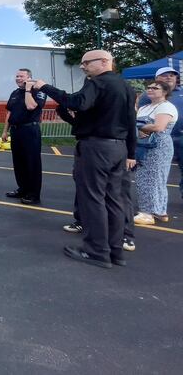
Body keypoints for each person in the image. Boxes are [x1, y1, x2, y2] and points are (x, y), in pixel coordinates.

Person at [32, 50, 136, 269]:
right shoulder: (125, 86)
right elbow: (130, 121)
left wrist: (45, 87)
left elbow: (77, 102)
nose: (83, 67)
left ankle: (97, 250)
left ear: (105, 62)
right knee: (114, 200)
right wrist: (131, 153)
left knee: (93, 199)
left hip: (96, 147)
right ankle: (115, 250)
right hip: (118, 147)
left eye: (86, 62)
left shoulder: (97, 83)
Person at [56, 103, 136, 253]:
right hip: (89, 149)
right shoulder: (90, 111)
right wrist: (64, 107)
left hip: (114, 149)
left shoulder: (117, 107)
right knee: (86, 189)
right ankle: (82, 221)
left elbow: (131, 128)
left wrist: (131, 154)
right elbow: (76, 121)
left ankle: (125, 234)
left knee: (119, 194)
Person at [133, 82, 178, 225]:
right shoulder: (144, 107)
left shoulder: (166, 107)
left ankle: (147, 213)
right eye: (149, 87)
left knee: (153, 179)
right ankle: (159, 211)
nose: (150, 90)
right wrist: (140, 129)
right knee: (143, 178)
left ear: (164, 92)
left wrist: (139, 127)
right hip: (142, 145)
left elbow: (159, 127)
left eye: (155, 88)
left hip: (158, 146)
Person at [137, 67, 183, 200]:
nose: (169, 77)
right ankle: (152, 203)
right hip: (155, 139)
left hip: (181, 137)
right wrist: (140, 130)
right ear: (157, 78)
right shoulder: (147, 96)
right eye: (164, 75)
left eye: (172, 75)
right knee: (154, 174)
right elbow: (142, 116)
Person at [1, 68, 46, 205]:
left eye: (21, 76)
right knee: (19, 163)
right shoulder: (14, 93)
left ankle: (33, 194)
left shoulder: (38, 91)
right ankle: (23, 189)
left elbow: (31, 106)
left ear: (29, 78)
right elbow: (9, 113)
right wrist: (5, 131)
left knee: (32, 163)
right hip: (16, 131)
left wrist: (28, 89)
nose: (18, 78)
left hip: (30, 130)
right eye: (17, 76)